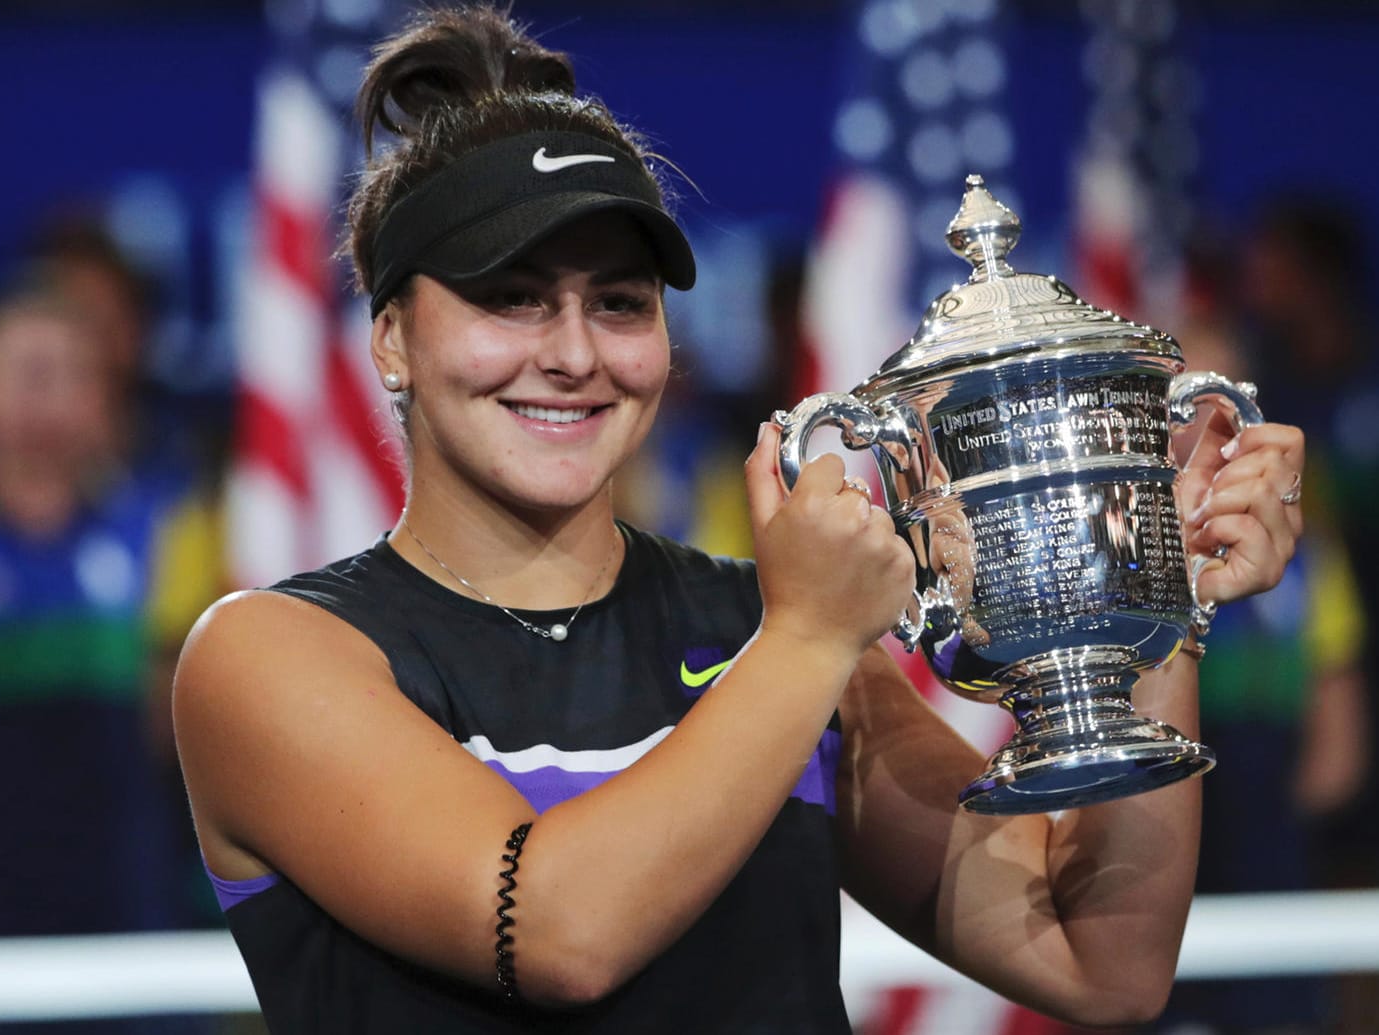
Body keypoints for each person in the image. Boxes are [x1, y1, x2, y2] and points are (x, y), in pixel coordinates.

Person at [172, 8, 1308, 1032]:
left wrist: (1155, 595)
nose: (571, 355)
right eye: (509, 297)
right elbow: (559, 935)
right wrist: (809, 639)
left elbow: (1101, 960)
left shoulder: (763, 632)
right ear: (390, 341)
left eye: (616, 304)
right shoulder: (272, 658)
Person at [0, 282, 208, 1034]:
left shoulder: (175, 533)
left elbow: (198, 736)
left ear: (104, 396)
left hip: (133, 941)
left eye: (68, 371)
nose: (44, 394)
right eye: (24, 368)